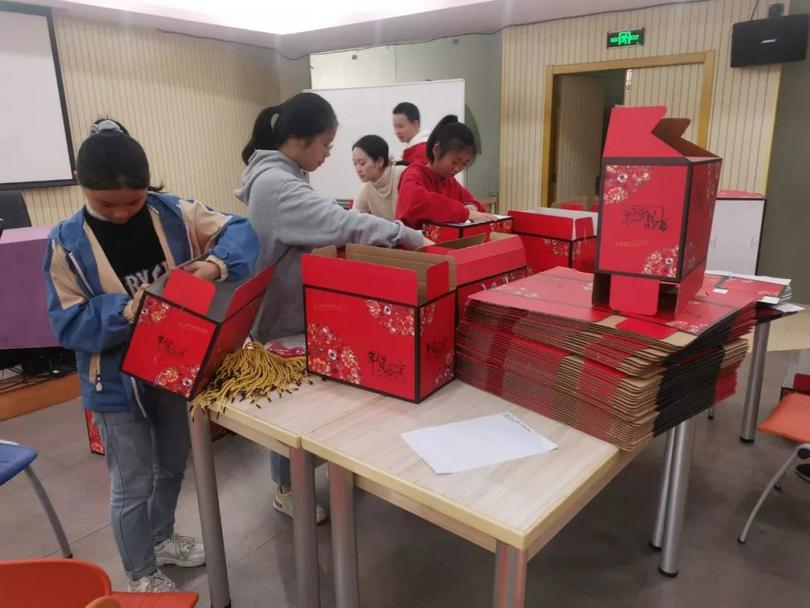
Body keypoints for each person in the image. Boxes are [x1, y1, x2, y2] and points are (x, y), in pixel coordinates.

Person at [43, 118, 259, 593]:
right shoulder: (66, 243)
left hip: (171, 366)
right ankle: (140, 573)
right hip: (115, 384)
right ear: (82, 185)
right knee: (131, 482)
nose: (121, 214)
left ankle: (161, 538)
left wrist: (213, 264)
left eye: (132, 202)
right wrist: (127, 310)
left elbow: (241, 231)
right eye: (105, 204)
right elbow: (68, 323)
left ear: (148, 189)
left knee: (172, 464)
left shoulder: (174, 213)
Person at [236, 92, 428, 522]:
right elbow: (341, 223)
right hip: (281, 317)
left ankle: (302, 479)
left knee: (304, 406)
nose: (327, 155)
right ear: (299, 140)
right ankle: (288, 490)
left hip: (294, 310)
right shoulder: (277, 184)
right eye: (325, 144)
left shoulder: (284, 176)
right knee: (290, 413)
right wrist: (406, 235)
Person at [397, 114, 497, 229]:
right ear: (437, 150)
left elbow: (470, 201)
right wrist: (465, 213)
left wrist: (471, 206)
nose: (457, 169)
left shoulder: (450, 182)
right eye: (455, 161)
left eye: (464, 163)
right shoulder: (413, 174)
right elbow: (417, 201)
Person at [351, 135, 405, 221]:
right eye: (355, 164)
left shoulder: (403, 175)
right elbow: (353, 219)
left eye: (362, 163)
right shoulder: (367, 187)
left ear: (380, 161)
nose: (358, 169)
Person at [392, 102, 430, 166]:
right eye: (395, 126)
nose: (397, 131)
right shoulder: (412, 147)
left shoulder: (423, 150)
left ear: (416, 124)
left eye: (401, 126)